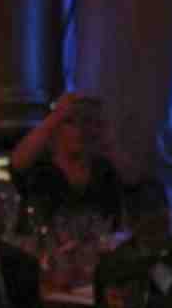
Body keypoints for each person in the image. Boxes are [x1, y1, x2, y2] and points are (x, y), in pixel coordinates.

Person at [8, 94, 125, 228]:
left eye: (87, 122)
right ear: (55, 129)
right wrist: (58, 115)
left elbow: (133, 181)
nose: (80, 130)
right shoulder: (40, 171)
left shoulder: (104, 171)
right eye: (70, 122)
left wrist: (106, 134)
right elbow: (17, 164)